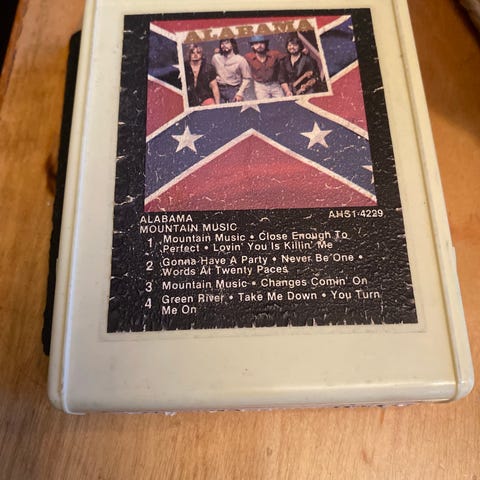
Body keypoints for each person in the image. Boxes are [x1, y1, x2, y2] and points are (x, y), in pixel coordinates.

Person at [244, 35, 285, 99]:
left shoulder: (274, 54)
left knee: (282, 102)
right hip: (260, 86)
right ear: (252, 46)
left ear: (265, 44)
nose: (259, 45)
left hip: (274, 84)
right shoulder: (248, 57)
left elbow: (288, 57)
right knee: (264, 104)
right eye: (256, 43)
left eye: (261, 42)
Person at [211, 38, 251, 103]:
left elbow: (247, 78)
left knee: (235, 108)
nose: (224, 45)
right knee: (219, 108)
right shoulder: (215, 58)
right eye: (222, 43)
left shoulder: (240, 60)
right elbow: (211, 73)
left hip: (233, 89)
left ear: (232, 44)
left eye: (227, 43)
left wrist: (240, 92)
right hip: (219, 89)